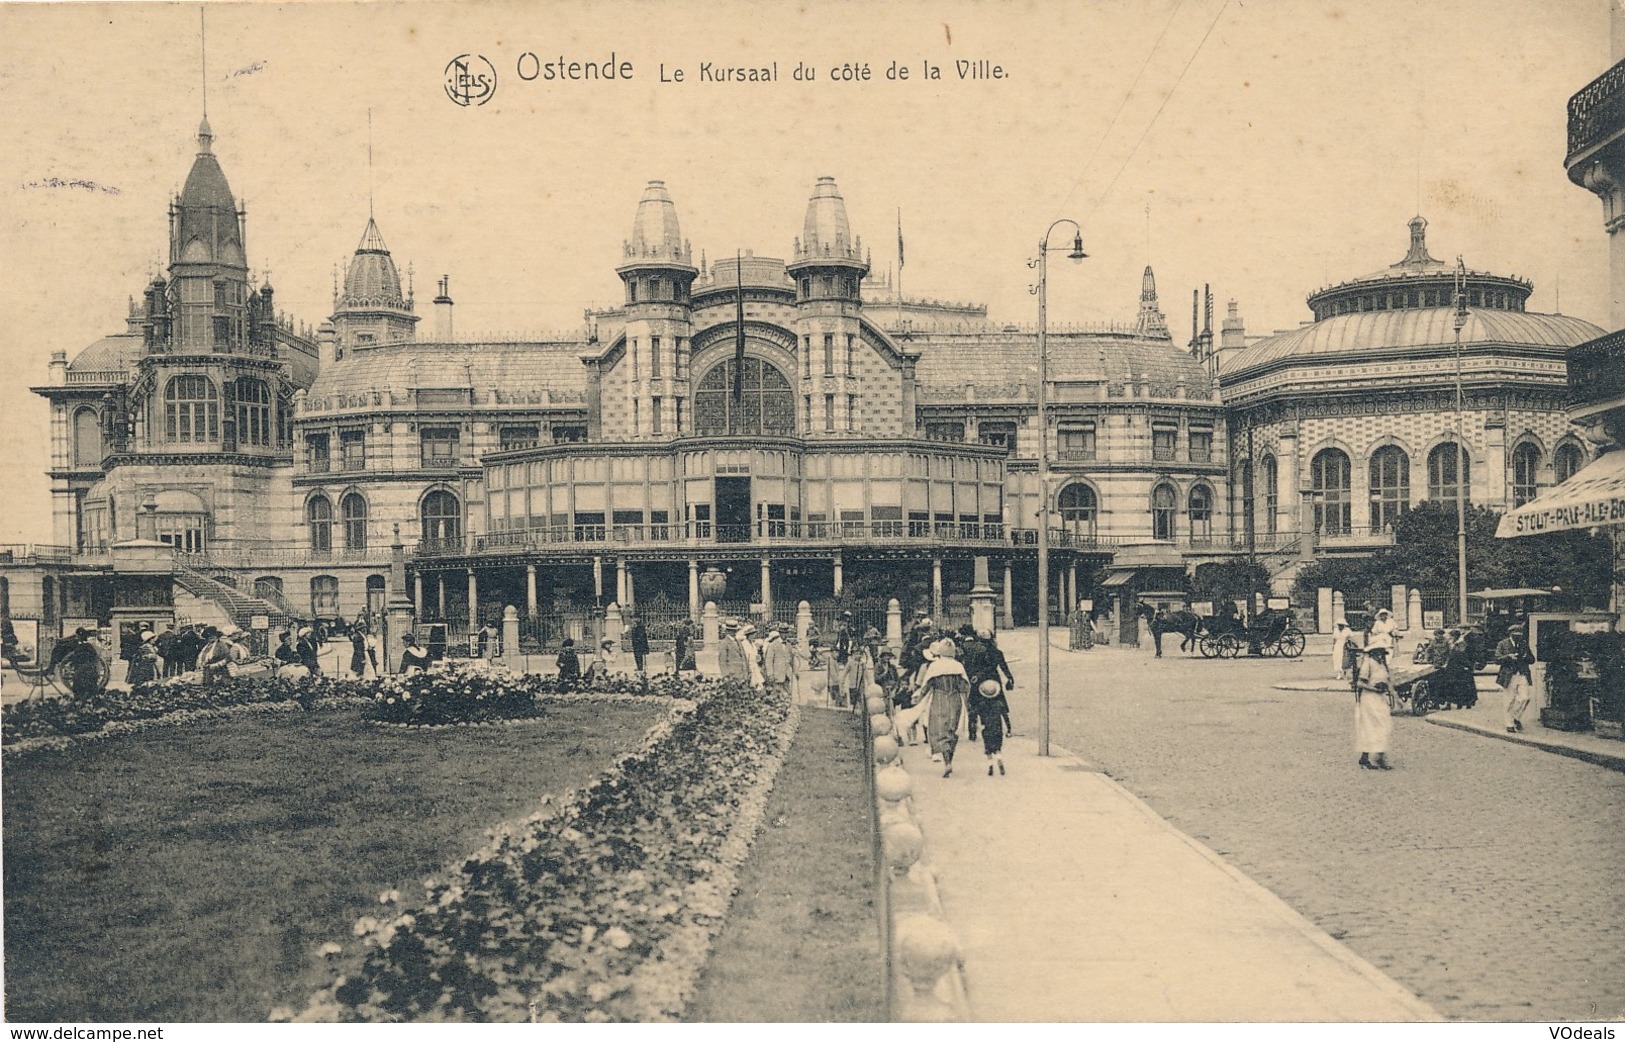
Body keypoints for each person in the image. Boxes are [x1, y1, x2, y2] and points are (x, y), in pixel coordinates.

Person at [919, 638, 970, 777]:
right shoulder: (958, 666)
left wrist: (919, 697)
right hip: (955, 700)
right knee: (952, 730)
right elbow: (964, 686)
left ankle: (947, 763)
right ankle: (949, 762)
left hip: (939, 699)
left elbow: (927, 685)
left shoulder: (935, 666)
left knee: (939, 730)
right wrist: (966, 702)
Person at [1353, 633, 1395, 770]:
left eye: (1382, 652)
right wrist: (1374, 689)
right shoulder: (1368, 663)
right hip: (1369, 698)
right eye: (1379, 651)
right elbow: (1360, 683)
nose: (1381, 654)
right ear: (1373, 652)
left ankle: (1378, 755)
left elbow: (1387, 681)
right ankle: (1368, 758)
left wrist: (1396, 698)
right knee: (1371, 727)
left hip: (1380, 699)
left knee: (1384, 725)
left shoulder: (1382, 664)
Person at [1495, 627, 1534, 733]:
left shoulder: (1524, 644)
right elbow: (1497, 659)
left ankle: (1516, 717)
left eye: (1520, 634)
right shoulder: (1502, 644)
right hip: (1508, 675)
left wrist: (1526, 656)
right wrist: (1508, 657)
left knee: (1525, 698)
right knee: (1509, 700)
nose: (1518, 636)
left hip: (1522, 674)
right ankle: (1509, 724)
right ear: (1510, 634)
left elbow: (1532, 660)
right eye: (1516, 634)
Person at [974, 678, 1013, 776]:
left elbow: (977, 715)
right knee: (997, 747)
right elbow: (1006, 717)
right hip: (997, 728)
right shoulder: (999, 704)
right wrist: (1009, 729)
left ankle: (990, 765)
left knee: (988, 749)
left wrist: (978, 726)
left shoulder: (981, 704)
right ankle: (999, 759)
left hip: (986, 728)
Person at [762, 624, 794, 700]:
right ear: (780, 633)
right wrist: (770, 674)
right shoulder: (773, 645)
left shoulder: (788, 645)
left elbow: (791, 659)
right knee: (777, 695)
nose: (785, 635)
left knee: (788, 694)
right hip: (777, 674)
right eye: (783, 633)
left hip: (787, 674)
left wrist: (795, 671)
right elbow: (768, 661)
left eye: (786, 633)